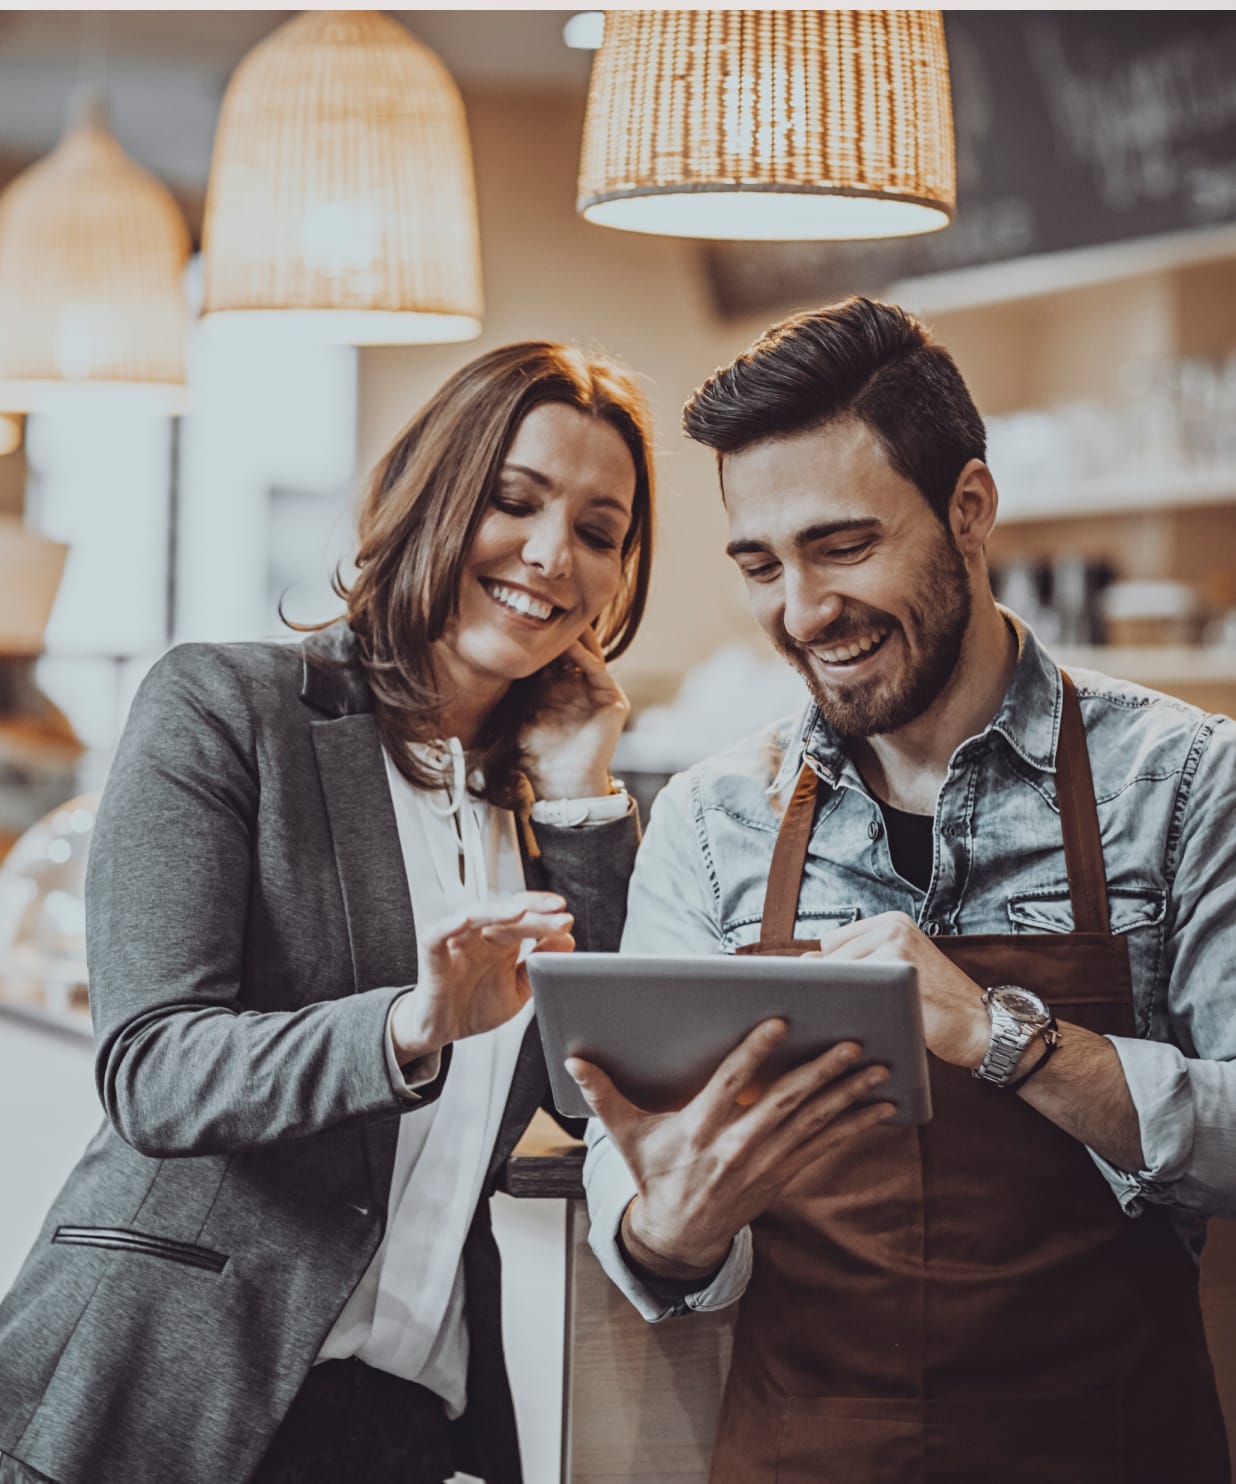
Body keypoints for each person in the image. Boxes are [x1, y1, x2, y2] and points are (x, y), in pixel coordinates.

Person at [573, 297, 1236, 1483]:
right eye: (761, 565)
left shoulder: (1185, 781)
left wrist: (999, 1033)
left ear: (969, 508)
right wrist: (662, 1228)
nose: (803, 610)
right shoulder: (711, 820)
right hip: (804, 1448)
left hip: (1110, 1442)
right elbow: (644, 1177)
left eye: (843, 545)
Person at [0, 340, 655, 1484]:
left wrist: (585, 796)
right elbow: (155, 1067)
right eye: (515, 500)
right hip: (168, 1392)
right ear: (430, 499)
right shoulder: (226, 706)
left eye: (599, 530)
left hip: (408, 1423)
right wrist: (412, 1022)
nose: (554, 554)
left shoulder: (554, 795)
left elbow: (592, 1083)